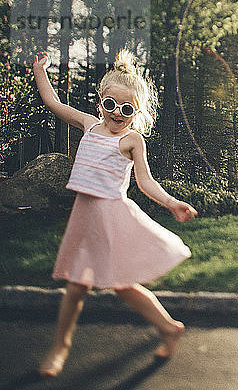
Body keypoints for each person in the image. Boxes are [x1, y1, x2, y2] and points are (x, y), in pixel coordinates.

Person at [32, 49, 198, 378]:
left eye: (126, 109)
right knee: (77, 286)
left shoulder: (132, 139)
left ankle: (168, 326)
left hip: (110, 217)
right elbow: (53, 103)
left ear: (136, 113)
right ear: (101, 102)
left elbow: (145, 182)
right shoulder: (89, 125)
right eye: (110, 104)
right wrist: (40, 70)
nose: (116, 114)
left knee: (121, 285)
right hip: (83, 215)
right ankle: (60, 347)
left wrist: (171, 203)